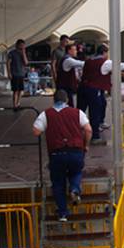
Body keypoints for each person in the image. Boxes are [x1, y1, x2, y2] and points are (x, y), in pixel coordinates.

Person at [32, 90, 92, 222]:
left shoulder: (46, 114)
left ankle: (63, 213)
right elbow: (88, 129)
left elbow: (36, 131)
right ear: (66, 100)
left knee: (58, 183)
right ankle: (75, 189)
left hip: (56, 153)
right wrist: (85, 145)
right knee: (76, 172)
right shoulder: (78, 113)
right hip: (76, 151)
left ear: (53, 100)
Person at [77, 44, 124, 143]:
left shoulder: (89, 61)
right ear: (105, 52)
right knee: (95, 112)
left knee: (81, 111)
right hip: (94, 90)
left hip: (82, 88)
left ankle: (77, 131)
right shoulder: (106, 62)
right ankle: (95, 136)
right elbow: (123, 65)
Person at [7, 39, 28, 109]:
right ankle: (14, 105)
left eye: (23, 45)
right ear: (17, 45)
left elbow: (26, 63)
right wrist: (9, 73)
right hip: (14, 74)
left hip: (21, 74)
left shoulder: (23, 53)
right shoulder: (12, 53)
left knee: (20, 90)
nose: (22, 47)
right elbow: (8, 63)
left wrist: (23, 53)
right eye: (21, 45)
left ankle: (18, 103)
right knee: (15, 90)